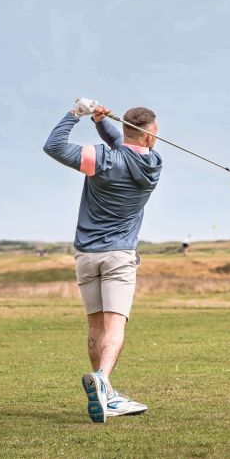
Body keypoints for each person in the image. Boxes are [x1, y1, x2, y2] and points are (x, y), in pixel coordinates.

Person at [43, 98, 161, 423]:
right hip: (119, 256)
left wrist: (76, 115)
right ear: (150, 137)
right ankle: (104, 384)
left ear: (125, 129)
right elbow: (128, 146)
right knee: (115, 324)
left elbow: (53, 146)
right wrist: (100, 123)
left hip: (86, 255)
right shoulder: (153, 165)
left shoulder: (100, 158)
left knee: (96, 325)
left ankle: (103, 389)